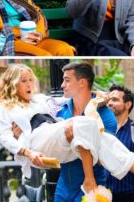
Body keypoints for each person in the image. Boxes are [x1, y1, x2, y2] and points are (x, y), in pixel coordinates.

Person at [0, 63, 134, 195]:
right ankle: (90, 181)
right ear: (11, 84)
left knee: (99, 135)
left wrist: (98, 95)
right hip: (36, 142)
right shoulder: (2, 108)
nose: (30, 85)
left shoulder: (38, 99)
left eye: (31, 80)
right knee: (78, 124)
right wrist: (27, 152)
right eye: (24, 81)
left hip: (59, 141)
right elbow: (5, 137)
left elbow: (69, 97)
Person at [53, 62, 116, 202]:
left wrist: (76, 141)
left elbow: (105, 157)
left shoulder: (106, 116)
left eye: (67, 80)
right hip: (63, 187)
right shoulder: (61, 112)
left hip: (92, 185)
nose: (62, 85)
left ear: (82, 82)